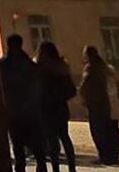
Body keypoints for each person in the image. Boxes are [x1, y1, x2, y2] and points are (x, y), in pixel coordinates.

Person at [0, 34, 48, 172]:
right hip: (31, 110)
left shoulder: (3, 65)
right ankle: (41, 165)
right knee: (35, 142)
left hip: (13, 111)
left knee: (18, 144)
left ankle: (21, 167)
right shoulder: (29, 64)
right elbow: (38, 85)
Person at [36, 41, 77, 172]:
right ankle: (72, 168)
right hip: (60, 108)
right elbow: (72, 90)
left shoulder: (40, 69)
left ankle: (56, 169)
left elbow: (36, 90)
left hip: (47, 109)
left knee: (52, 140)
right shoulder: (61, 68)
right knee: (64, 137)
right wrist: (61, 98)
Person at [78, 45, 119, 164]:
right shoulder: (105, 68)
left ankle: (104, 156)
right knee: (110, 129)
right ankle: (113, 155)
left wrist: (83, 96)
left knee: (98, 131)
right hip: (108, 104)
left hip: (96, 104)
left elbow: (85, 85)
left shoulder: (90, 68)